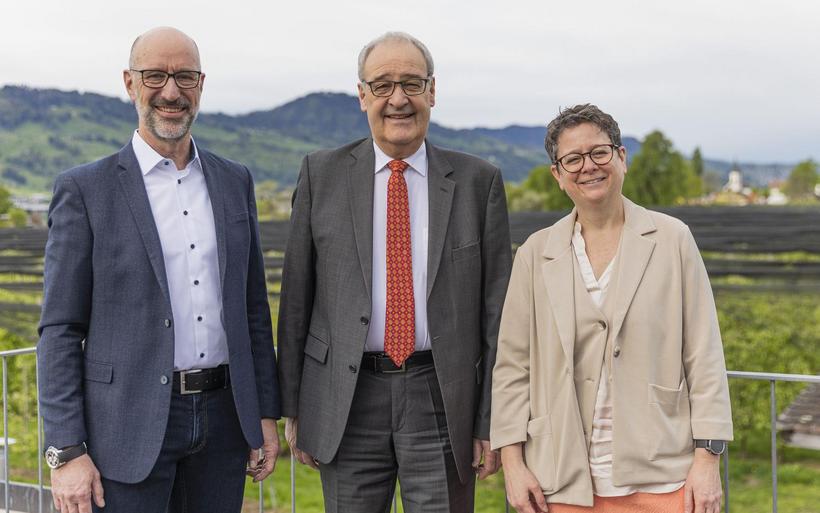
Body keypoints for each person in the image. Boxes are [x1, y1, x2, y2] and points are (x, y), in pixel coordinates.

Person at [37, 27, 281, 513]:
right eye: (155, 76)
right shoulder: (85, 190)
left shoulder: (234, 181)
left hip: (224, 423)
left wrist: (265, 414)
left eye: (184, 77)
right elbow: (60, 329)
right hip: (125, 427)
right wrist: (65, 451)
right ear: (130, 84)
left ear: (201, 84)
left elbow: (252, 308)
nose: (171, 91)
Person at [277, 31, 512, 513]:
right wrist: (295, 405)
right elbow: (297, 300)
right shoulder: (320, 175)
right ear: (362, 95)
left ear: (432, 91)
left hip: (443, 400)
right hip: (346, 398)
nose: (398, 99)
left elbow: (497, 315)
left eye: (411, 83)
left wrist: (490, 420)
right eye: (382, 85)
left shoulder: (477, 183)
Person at [491, 104, 733, 513]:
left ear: (621, 157)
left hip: (662, 476)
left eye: (599, 152)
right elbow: (513, 366)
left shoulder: (672, 239)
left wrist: (708, 459)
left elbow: (704, 355)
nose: (589, 166)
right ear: (558, 175)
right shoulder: (535, 253)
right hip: (561, 480)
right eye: (573, 158)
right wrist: (513, 464)